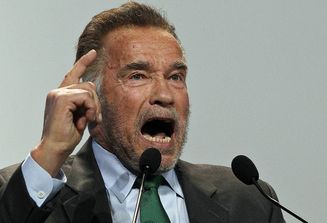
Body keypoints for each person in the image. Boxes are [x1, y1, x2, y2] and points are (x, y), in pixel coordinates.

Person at [0, 2, 285, 223]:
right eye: (138, 76)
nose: (164, 95)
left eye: (175, 77)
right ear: (90, 95)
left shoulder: (249, 199)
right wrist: (50, 152)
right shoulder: (27, 193)